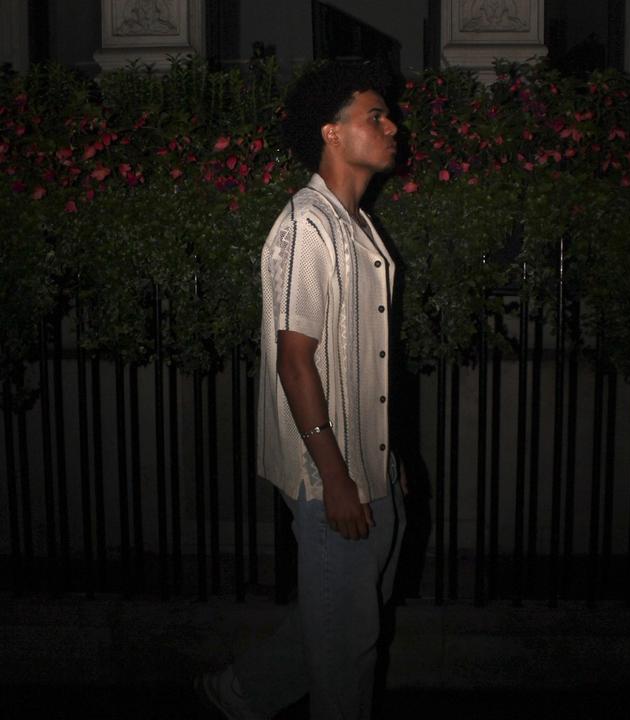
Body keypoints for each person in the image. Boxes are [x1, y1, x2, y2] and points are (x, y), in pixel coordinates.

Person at [196, 60, 406, 720]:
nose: (393, 126)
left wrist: (383, 461)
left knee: (343, 620)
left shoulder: (356, 225)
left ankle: (240, 693)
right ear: (331, 133)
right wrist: (335, 477)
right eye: (376, 116)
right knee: (347, 652)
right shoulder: (307, 226)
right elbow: (295, 363)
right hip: (329, 478)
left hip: (371, 468)